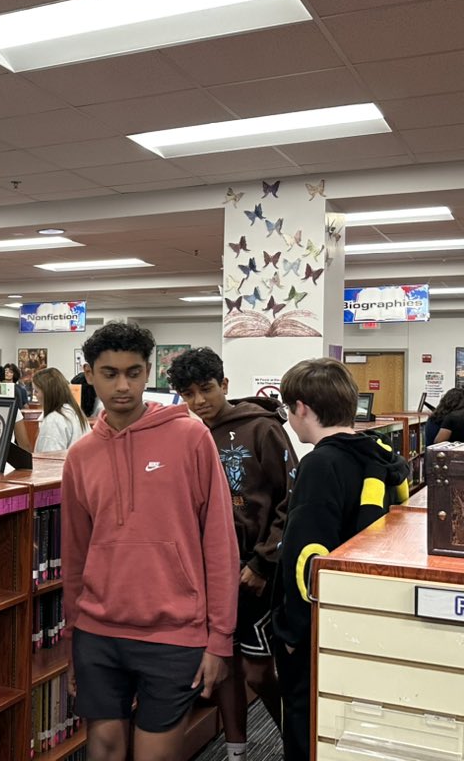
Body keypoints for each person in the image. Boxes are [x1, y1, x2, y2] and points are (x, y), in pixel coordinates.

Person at [61, 322, 238, 761]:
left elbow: (219, 542)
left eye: (134, 372)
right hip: (98, 632)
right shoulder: (80, 456)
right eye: (109, 373)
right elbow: (75, 554)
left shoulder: (190, 437)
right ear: (88, 374)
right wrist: (72, 636)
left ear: (147, 372)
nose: (123, 386)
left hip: (174, 633)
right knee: (102, 749)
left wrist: (220, 640)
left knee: (155, 754)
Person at [273, 358, 409, 761]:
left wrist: (294, 632)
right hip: (360, 612)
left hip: (318, 628)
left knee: (306, 724)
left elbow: (306, 556)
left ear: (301, 408)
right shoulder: (379, 451)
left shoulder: (319, 463)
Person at [167, 347, 297, 759]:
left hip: (256, 571)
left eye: (206, 389)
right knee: (221, 666)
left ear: (224, 385)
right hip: (208, 573)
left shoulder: (262, 429)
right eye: (188, 394)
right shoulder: (187, 435)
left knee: (259, 671)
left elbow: (290, 499)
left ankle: (297, 742)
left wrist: (263, 561)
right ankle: (236, 750)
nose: (199, 401)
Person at [32, 367, 90, 452]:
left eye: (36, 391)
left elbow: (49, 459)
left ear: (48, 393)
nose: (34, 394)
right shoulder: (74, 411)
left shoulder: (54, 420)